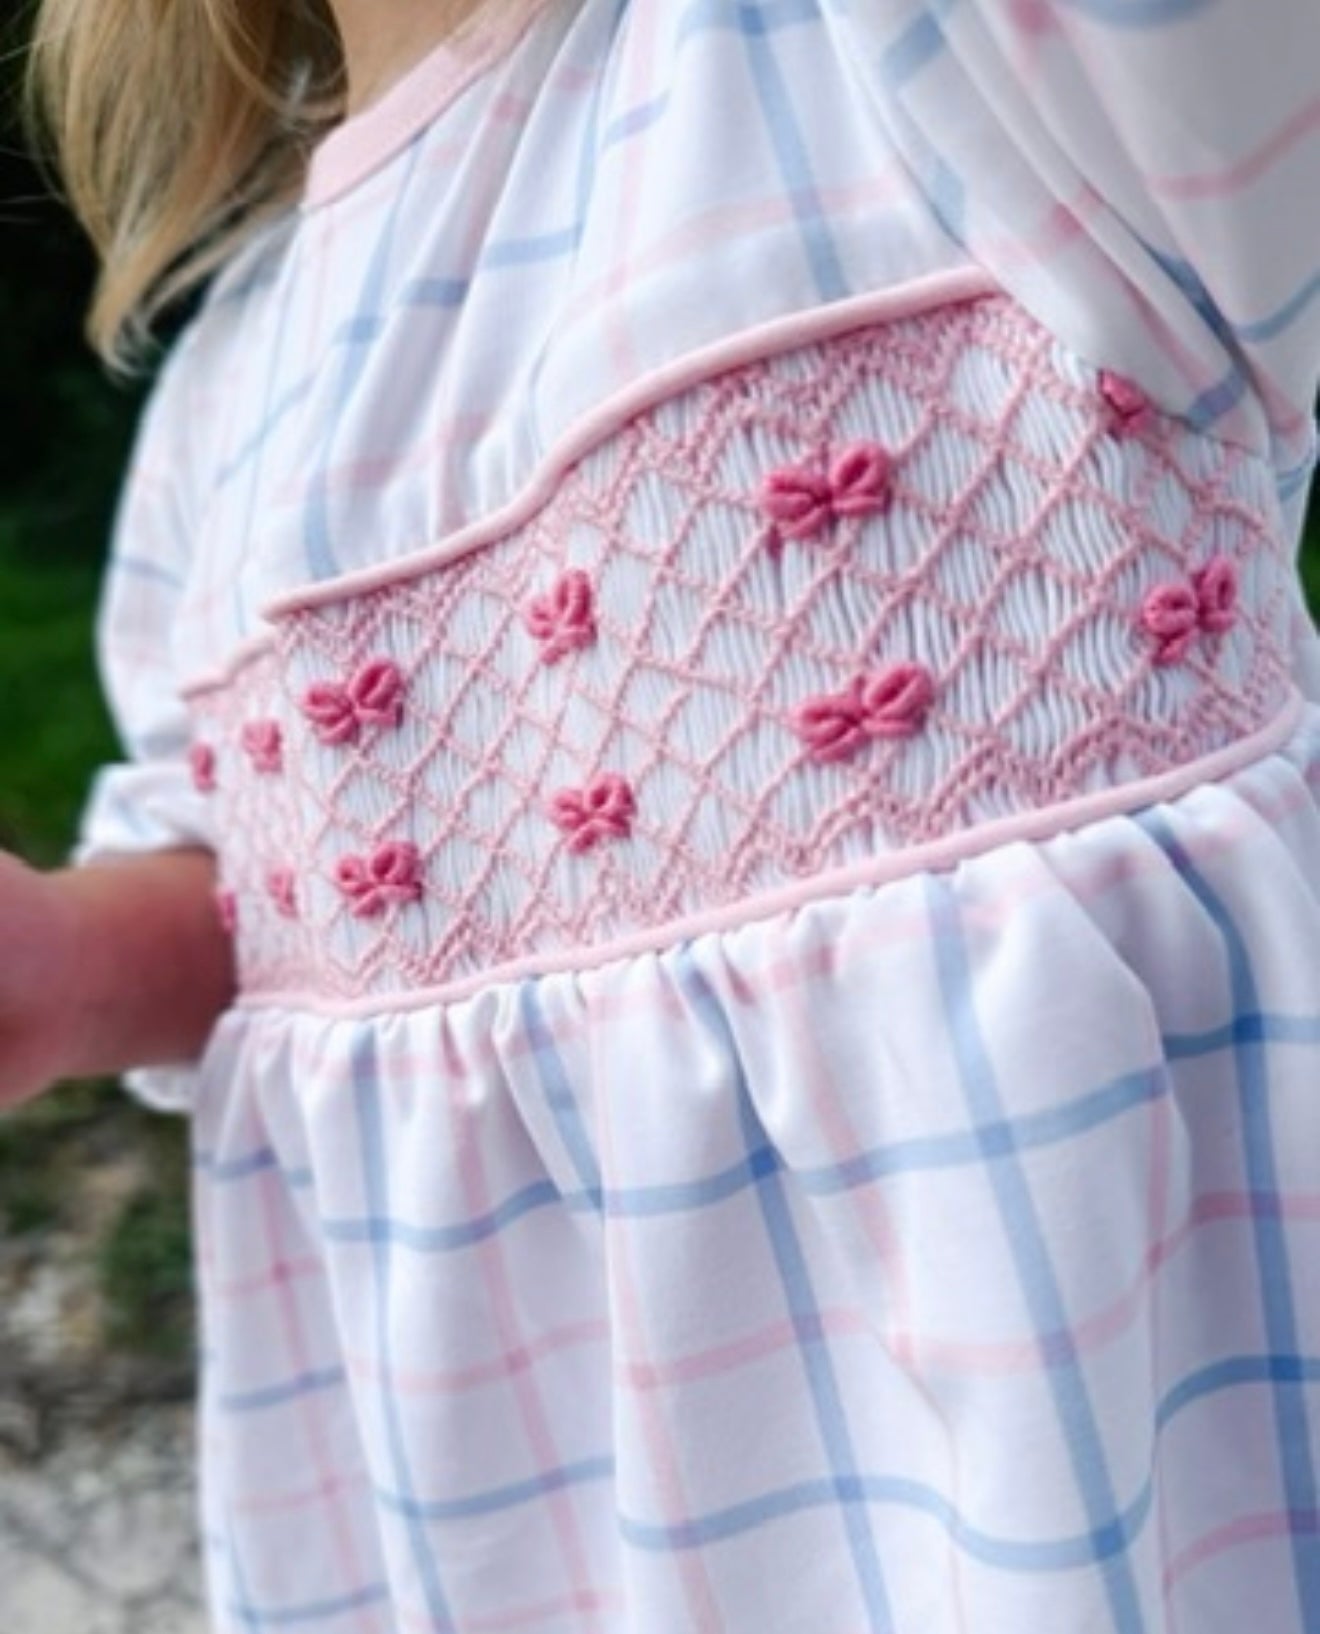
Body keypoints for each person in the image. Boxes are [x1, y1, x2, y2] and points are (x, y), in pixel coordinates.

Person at [12, 0, 1320, 1627]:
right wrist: (65, 961)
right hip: (498, 1533)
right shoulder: (231, 385)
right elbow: (265, 890)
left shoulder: (947, 65)